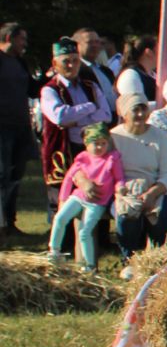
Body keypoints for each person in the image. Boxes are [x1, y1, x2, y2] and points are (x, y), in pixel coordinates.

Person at [39, 36, 113, 226]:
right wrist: (89, 108)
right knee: (63, 193)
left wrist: (76, 119)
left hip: (90, 148)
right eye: (66, 61)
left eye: (75, 60)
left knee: (96, 189)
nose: (71, 65)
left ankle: (98, 237)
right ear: (55, 63)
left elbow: (105, 115)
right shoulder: (50, 90)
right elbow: (60, 117)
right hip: (64, 149)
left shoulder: (91, 86)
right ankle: (63, 243)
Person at [110, 93, 167, 260]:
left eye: (143, 109)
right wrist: (122, 190)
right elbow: (107, 170)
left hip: (153, 186)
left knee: (161, 215)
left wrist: (152, 193)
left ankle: (155, 258)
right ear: (125, 113)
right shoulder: (114, 137)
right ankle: (129, 259)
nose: (140, 114)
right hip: (125, 188)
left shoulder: (160, 136)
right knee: (127, 214)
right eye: (135, 110)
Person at [48, 124, 120, 271]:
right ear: (86, 144)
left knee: (85, 232)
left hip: (98, 202)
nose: (99, 147)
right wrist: (62, 200)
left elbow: (119, 178)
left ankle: (89, 264)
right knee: (60, 218)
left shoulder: (112, 159)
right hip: (79, 196)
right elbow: (69, 178)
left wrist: (120, 188)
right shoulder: (82, 158)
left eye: (103, 143)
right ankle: (54, 250)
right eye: (96, 144)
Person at [1, 23, 39, 236]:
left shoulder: (20, 62)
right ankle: (2, 223)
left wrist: (48, 78)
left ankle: (10, 221)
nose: (24, 44)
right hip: (2, 127)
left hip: (21, 126)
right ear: (9, 38)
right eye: (21, 39)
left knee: (16, 174)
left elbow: (33, 90)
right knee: (2, 174)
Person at [115, 36, 159, 104]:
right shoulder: (130, 75)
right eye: (159, 50)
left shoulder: (151, 75)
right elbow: (136, 106)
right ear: (149, 52)